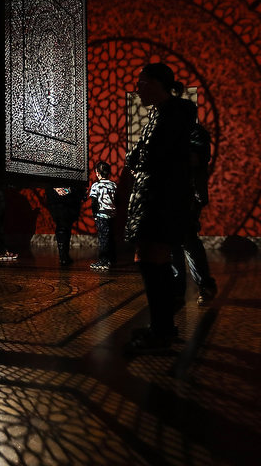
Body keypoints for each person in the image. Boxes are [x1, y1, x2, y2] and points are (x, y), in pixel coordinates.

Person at [123, 63, 196, 355]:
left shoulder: (174, 113)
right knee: (154, 262)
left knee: (153, 262)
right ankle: (162, 326)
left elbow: (149, 155)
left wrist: (138, 157)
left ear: (156, 84)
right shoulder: (162, 113)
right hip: (158, 197)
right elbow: (142, 154)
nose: (138, 88)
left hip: (161, 198)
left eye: (141, 82)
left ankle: (161, 329)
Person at [172, 81, 218, 305]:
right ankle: (179, 286)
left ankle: (203, 284)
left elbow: (194, 159)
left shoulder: (195, 132)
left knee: (187, 239)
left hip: (189, 193)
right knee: (176, 239)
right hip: (175, 191)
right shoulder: (178, 133)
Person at [45, 185, 85, 266]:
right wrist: (68, 190)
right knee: (65, 225)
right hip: (68, 198)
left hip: (56, 197)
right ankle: (64, 256)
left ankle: (63, 256)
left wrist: (56, 188)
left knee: (62, 225)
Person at [89, 161, 117, 270]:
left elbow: (94, 202)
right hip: (112, 215)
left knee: (103, 238)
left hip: (101, 215)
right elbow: (116, 200)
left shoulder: (96, 186)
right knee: (110, 237)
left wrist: (95, 215)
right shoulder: (113, 185)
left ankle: (103, 262)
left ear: (97, 173)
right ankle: (111, 259)